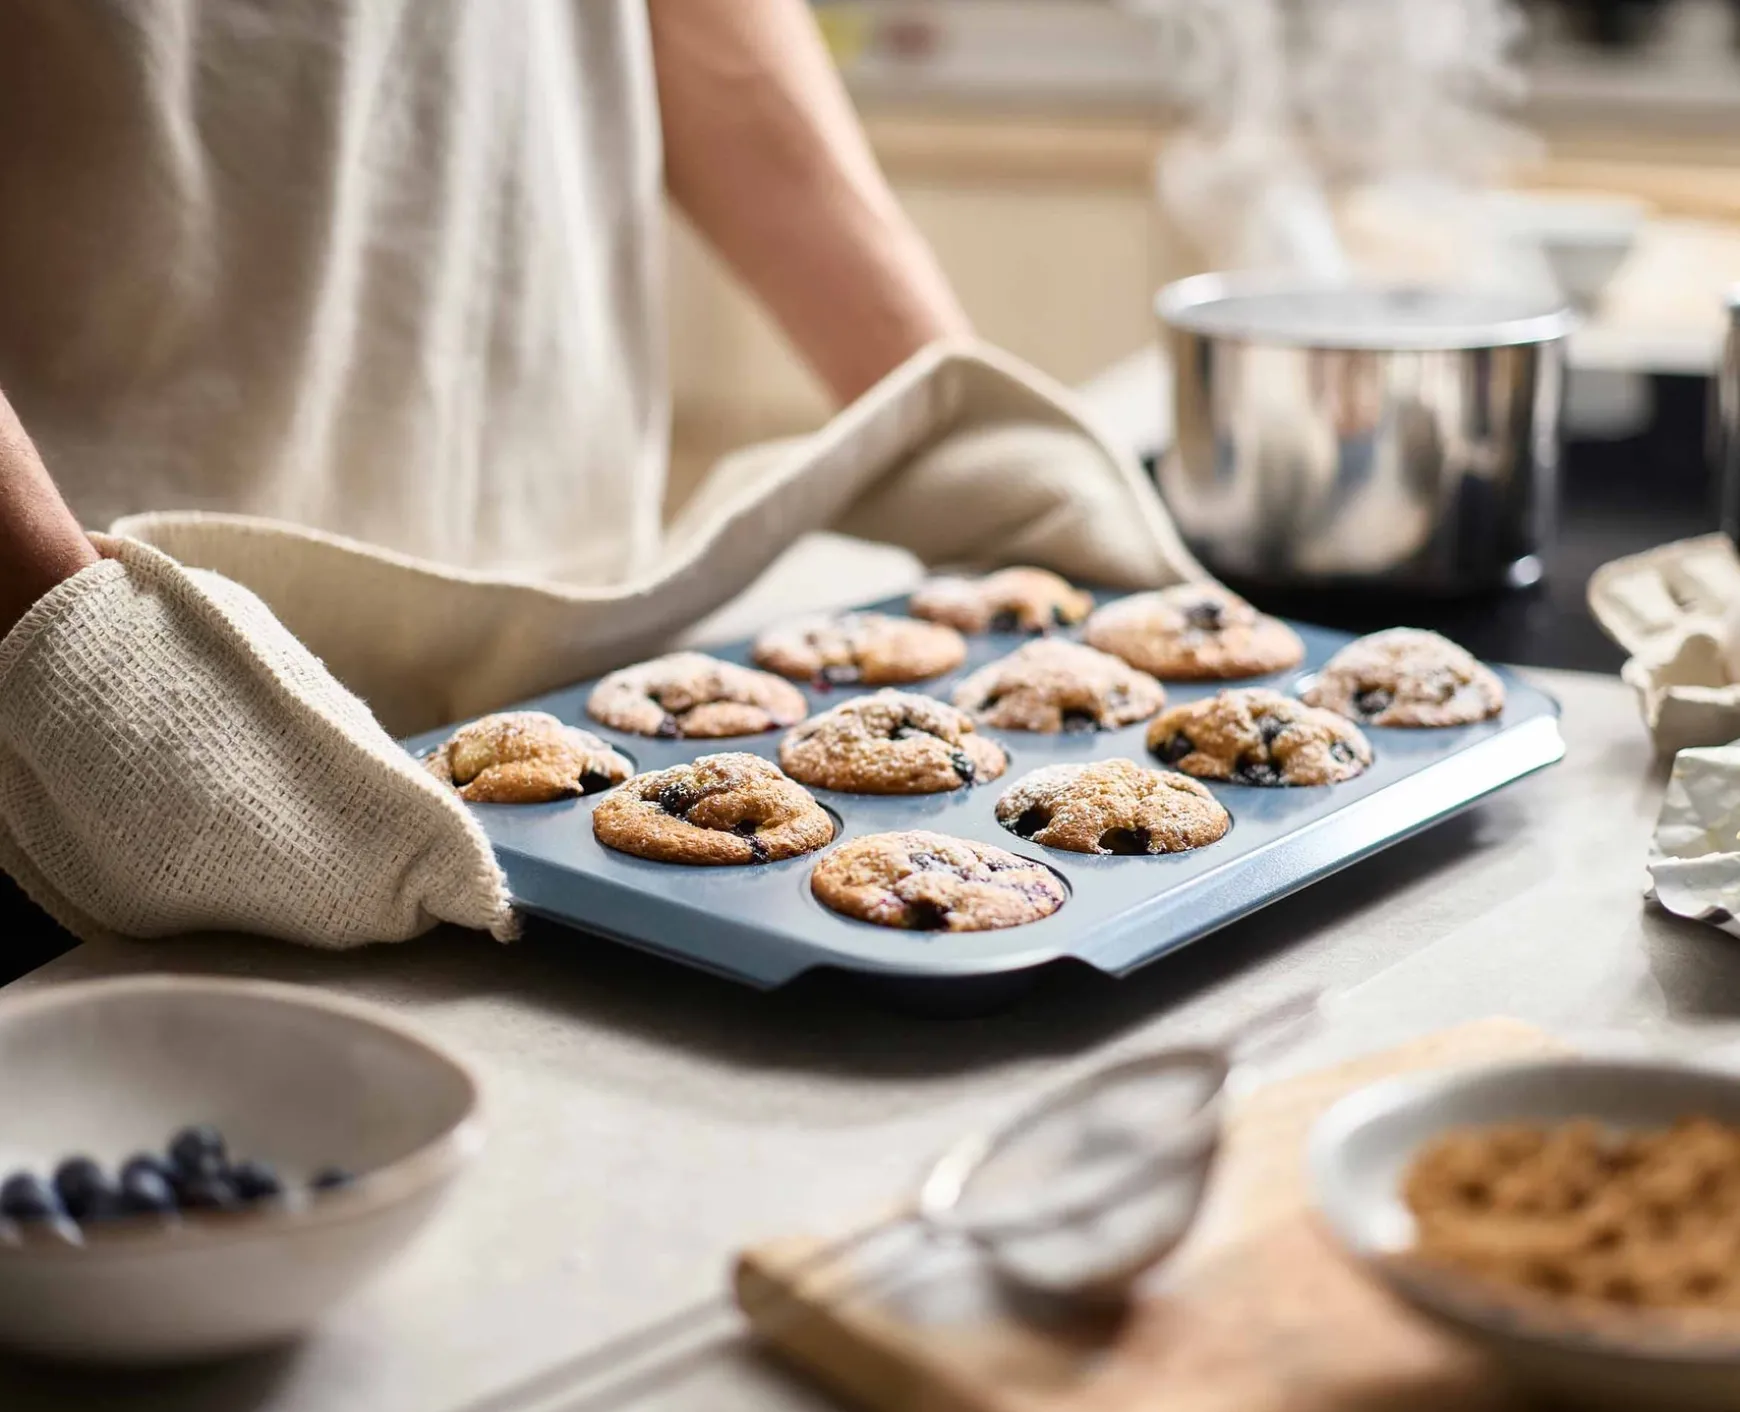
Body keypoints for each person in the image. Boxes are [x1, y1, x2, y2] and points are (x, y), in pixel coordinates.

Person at [0, 0, 1191, 972]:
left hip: (573, 647)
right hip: (99, 730)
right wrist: (63, 639)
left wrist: (943, 406)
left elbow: (710, 38)